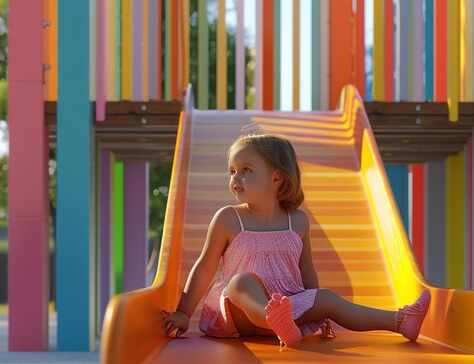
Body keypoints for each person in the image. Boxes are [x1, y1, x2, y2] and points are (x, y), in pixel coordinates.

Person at [161, 132, 431, 349]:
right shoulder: (229, 219)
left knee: (326, 297)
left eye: (245, 170)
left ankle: (400, 320)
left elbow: (306, 271)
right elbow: (205, 267)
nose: (235, 178)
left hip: (289, 310)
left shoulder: (297, 221)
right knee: (240, 282)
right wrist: (184, 312)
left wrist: (317, 312)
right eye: (232, 171)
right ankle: (273, 319)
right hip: (239, 316)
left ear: (276, 177)